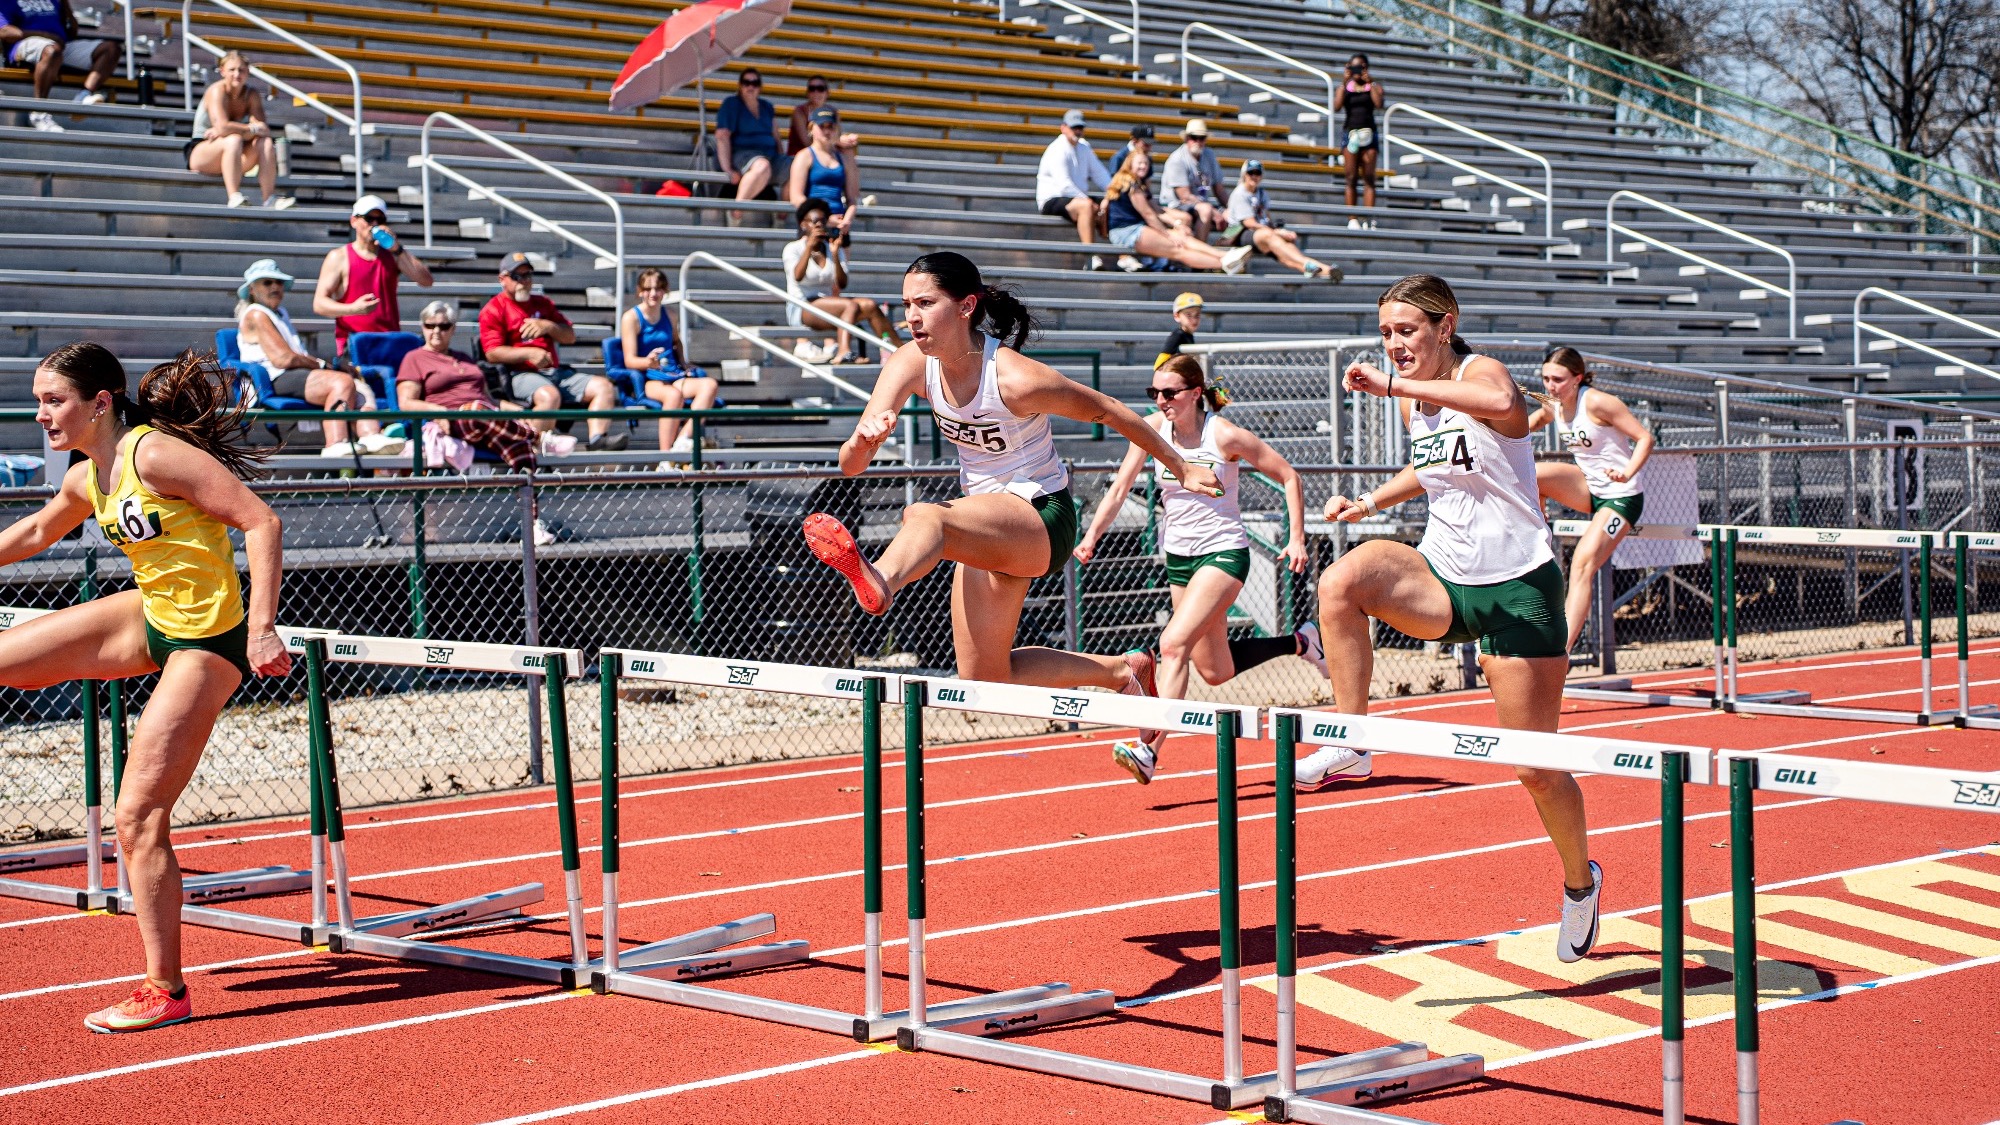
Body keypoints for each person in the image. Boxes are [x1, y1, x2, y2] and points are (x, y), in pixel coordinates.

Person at [1308, 273, 1601, 963]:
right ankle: (1354, 736)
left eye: (1406, 330)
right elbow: (1430, 466)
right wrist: (1370, 502)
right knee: (1341, 582)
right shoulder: (1416, 407)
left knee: (1535, 768)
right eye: (1385, 334)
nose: (1394, 345)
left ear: (1445, 326)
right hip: (1444, 577)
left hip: (1519, 587)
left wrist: (1395, 387)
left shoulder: (1479, 372)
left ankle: (1579, 882)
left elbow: (1501, 403)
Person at [0, 342, 289, 1031]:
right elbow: (39, 529)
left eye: (53, 400)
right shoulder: (87, 476)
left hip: (208, 638)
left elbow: (260, 520)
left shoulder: (152, 455)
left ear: (100, 402)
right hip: (151, 614)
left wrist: (261, 628)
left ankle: (166, 989)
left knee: (136, 815)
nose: (41, 414)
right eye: (38, 400)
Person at [801, 251, 1224, 700]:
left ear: (966, 306)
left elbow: (1109, 410)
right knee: (985, 678)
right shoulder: (908, 363)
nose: (911, 318)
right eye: (906, 306)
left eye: (925, 304)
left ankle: (879, 581)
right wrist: (864, 442)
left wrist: (1180, 466)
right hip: (987, 525)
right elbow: (851, 466)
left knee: (926, 517)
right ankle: (1123, 672)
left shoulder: (1014, 377)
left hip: (1043, 516)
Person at [1072, 354, 1321, 783]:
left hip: (1223, 553)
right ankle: (1301, 642)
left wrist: (1295, 537)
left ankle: (1149, 751)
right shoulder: (1151, 429)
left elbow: (1289, 476)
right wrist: (1091, 536)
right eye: (1155, 393)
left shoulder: (1223, 436)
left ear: (1195, 393)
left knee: (1172, 646)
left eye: (1169, 393)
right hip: (1180, 558)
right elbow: (1119, 489)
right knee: (1214, 670)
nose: (1161, 401)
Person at [1526, 346, 1653, 653]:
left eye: (1557, 379)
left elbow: (1645, 438)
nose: (1550, 386)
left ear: (1578, 378)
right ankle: (1538, 535)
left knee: (1582, 565)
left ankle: (1560, 652)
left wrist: (1627, 472)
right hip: (1589, 489)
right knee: (1535, 474)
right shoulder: (1553, 404)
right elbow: (1526, 424)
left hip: (1621, 496)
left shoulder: (1597, 403)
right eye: (1545, 379)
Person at [234, 259, 397, 457]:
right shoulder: (256, 314)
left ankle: (371, 435)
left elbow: (294, 357)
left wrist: (329, 366)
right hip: (270, 379)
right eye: (267, 282)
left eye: (279, 282)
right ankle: (335, 443)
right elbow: (283, 359)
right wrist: (324, 366)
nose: (276, 286)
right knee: (342, 382)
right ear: (252, 289)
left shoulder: (279, 313)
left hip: (289, 374)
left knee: (357, 384)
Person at [477, 251, 624, 449]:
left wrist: (548, 326)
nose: (524, 281)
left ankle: (598, 440)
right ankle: (530, 450)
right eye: (517, 276)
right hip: (519, 374)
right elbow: (492, 353)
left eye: (528, 275)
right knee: (550, 396)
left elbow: (570, 336)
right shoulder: (494, 308)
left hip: (555, 372)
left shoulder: (542, 303)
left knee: (604, 387)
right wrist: (529, 353)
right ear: (503, 279)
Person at [396, 301, 538, 471]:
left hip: (484, 421)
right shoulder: (414, 358)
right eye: (430, 325)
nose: (436, 331)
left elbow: (489, 399)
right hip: (455, 421)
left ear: (453, 328)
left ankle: (528, 495)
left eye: (443, 326)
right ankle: (538, 437)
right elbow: (406, 403)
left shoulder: (464, 357)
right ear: (423, 327)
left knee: (521, 449)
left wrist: (516, 411)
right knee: (477, 410)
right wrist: (439, 411)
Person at [615, 267, 721, 456]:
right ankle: (665, 455)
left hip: (672, 373)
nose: (653, 293)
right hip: (647, 379)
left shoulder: (670, 315)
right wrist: (648, 362)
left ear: (665, 290)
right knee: (673, 396)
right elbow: (629, 360)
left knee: (709, 385)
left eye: (658, 288)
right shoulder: (631, 318)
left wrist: (683, 362)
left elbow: (675, 341)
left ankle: (682, 440)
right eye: (648, 289)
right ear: (640, 291)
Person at [312, 194, 434, 357]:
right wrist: (353, 309)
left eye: (380, 220)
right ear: (354, 221)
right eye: (369, 219)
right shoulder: (339, 257)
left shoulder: (392, 255)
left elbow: (426, 280)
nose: (375, 224)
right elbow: (319, 304)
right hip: (356, 345)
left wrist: (397, 249)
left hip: (390, 343)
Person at [783, 198, 901, 365]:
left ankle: (900, 351)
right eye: (814, 222)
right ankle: (843, 351)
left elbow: (842, 283)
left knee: (869, 305)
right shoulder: (793, 248)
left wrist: (836, 254)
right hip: (802, 306)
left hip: (829, 305)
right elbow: (797, 276)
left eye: (823, 221)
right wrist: (809, 247)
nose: (819, 226)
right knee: (850, 305)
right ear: (803, 225)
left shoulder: (832, 247)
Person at [1103, 151, 1252, 276]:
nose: (1144, 166)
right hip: (1126, 231)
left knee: (1183, 237)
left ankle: (1226, 255)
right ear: (1130, 164)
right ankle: (1223, 264)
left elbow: (1158, 211)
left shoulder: (1139, 184)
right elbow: (1148, 214)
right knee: (1178, 249)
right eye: (1140, 163)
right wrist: (1167, 234)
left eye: (1146, 163)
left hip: (1136, 228)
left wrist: (1177, 224)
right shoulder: (1131, 184)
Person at [184, 51, 292, 210]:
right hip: (203, 151)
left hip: (234, 153)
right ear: (222, 71)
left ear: (248, 72)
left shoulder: (251, 94)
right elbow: (222, 127)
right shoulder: (216, 91)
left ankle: (269, 198)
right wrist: (246, 129)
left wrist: (236, 129)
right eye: (232, 70)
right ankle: (234, 196)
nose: (237, 74)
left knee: (266, 143)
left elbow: (263, 129)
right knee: (233, 139)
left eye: (241, 70)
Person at [0, 0, 117, 131]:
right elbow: (4, 32)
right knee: (51, 51)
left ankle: (82, 98)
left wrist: (65, 6)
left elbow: (73, 31)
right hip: (25, 43)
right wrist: (44, 35)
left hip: (60, 45)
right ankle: (39, 112)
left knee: (110, 49)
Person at [1226, 160, 1340, 280]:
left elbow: (1266, 217)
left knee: (1285, 249)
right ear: (1244, 174)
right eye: (1251, 173)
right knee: (1269, 235)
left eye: (1257, 173)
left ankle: (1326, 270)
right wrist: (1276, 232)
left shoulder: (1261, 193)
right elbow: (1249, 223)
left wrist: (1278, 231)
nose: (1254, 176)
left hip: (1261, 233)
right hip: (1241, 234)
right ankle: (1307, 264)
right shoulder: (1240, 193)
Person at [1034, 109, 1112, 270]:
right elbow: (1064, 185)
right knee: (1087, 206)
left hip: (1074, 197)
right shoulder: (1057, 149)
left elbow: (1100, 174)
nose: (1077, 131)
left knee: (1115, 204)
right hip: (1052, 199)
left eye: (1080, 127)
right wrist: (1089, 202)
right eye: (1074, 127)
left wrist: (1112, 192)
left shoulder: (1084, 147)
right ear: (1063, 127)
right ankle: (1090, 257)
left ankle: (1125, 256)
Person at [786, 107, 861, 240]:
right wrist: (825, 217)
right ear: (811, 128)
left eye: (831, 127)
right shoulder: (804, 156)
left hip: (839, 224)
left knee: (841, 261)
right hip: (814, 223)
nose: (826, 131)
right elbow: (796, 197)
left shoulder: (842, 158)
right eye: (822, 126)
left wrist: (847, 219)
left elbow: (852, 197)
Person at [715, 66, 779, 222]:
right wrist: (728, 169)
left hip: (769, 154)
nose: (751, 86)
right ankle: (736, 212)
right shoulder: (731, 104)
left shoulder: (767, 107)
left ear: (760, 87)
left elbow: (776, 135)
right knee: (762, 166)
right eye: (746, 82)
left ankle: (782, 217)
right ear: (740, 85)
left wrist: (781, 157)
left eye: (755, 83)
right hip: (742, 154)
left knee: (797, 166)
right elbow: (722, 137)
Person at [1158, 118, 1226, 241]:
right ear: (1187, 139)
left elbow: (1219, 189)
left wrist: (1230, 208)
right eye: (1194, 137)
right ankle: (1200, 248)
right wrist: (1213, 211)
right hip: (1175, 204)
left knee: (1230, 213)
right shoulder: (1177, 159)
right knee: (1205, 210)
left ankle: (1223, 246)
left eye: (1202, 138)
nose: (1198, 141)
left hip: (1198, 203)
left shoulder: (1209, 155)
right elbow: (1184, 196)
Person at [1341, 53, 1384, 218]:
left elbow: (1379, 103)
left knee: (1369, 178)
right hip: (1351, 133)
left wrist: (1370, 82)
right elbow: (1337, 105)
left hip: (1369, 134)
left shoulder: (1374, 86)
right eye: (1354, 67)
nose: (1358, 71)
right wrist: (1345, 81)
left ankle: (1368, 217)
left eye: (1361, 67)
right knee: (1351, 177)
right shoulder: (1346, 87)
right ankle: (1352, 218)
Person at [786, 74, 858, 155]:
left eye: (820, 89)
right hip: (800, 156)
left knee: (848, 149)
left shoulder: (833, 112)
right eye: (812, 89)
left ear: (827, 93)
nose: (816, 92)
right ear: (807, 93)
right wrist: (837, 141)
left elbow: (837, 135)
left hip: (826, 155)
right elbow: (806, 143)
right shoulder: (800, 112)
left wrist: (847, 140)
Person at [1155, 291, 1202, 368]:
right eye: (1188, 315)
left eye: (1197, 315)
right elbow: (1160, 362)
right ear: (1177, 316)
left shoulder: (1188, 335)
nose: (1194, 320)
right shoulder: (1177, 335)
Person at [1107, 123, 1153, 188]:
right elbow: (1113, 185)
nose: (1149, 148)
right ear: (1134, 141)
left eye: (1151, 144)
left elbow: (1147, 182)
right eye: (1146, 144)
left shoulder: (1147, 158)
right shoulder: (1119, 157)